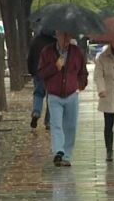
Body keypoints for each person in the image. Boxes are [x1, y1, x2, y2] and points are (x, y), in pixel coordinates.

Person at [38, 30, 88, 167]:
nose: (66, 38)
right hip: (54, 95)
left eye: (68, 35)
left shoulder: (76, 52)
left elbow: (83, 71)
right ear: (57, 36)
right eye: (63, 35)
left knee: (71, 126)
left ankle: (67, 155)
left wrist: (80, 85)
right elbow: (41, 73)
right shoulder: (47, 51)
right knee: (56, 124)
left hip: (72, 94)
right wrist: (55, 67)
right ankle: (58, 152)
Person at [27, 29, 56, 130]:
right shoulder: (54, 42)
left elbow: (30, 58)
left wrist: (32, 71)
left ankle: (36, 112)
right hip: (51, 73)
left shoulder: (35, 41)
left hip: (38, 73)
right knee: (51, 96)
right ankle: (48, 121)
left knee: (38, 93)